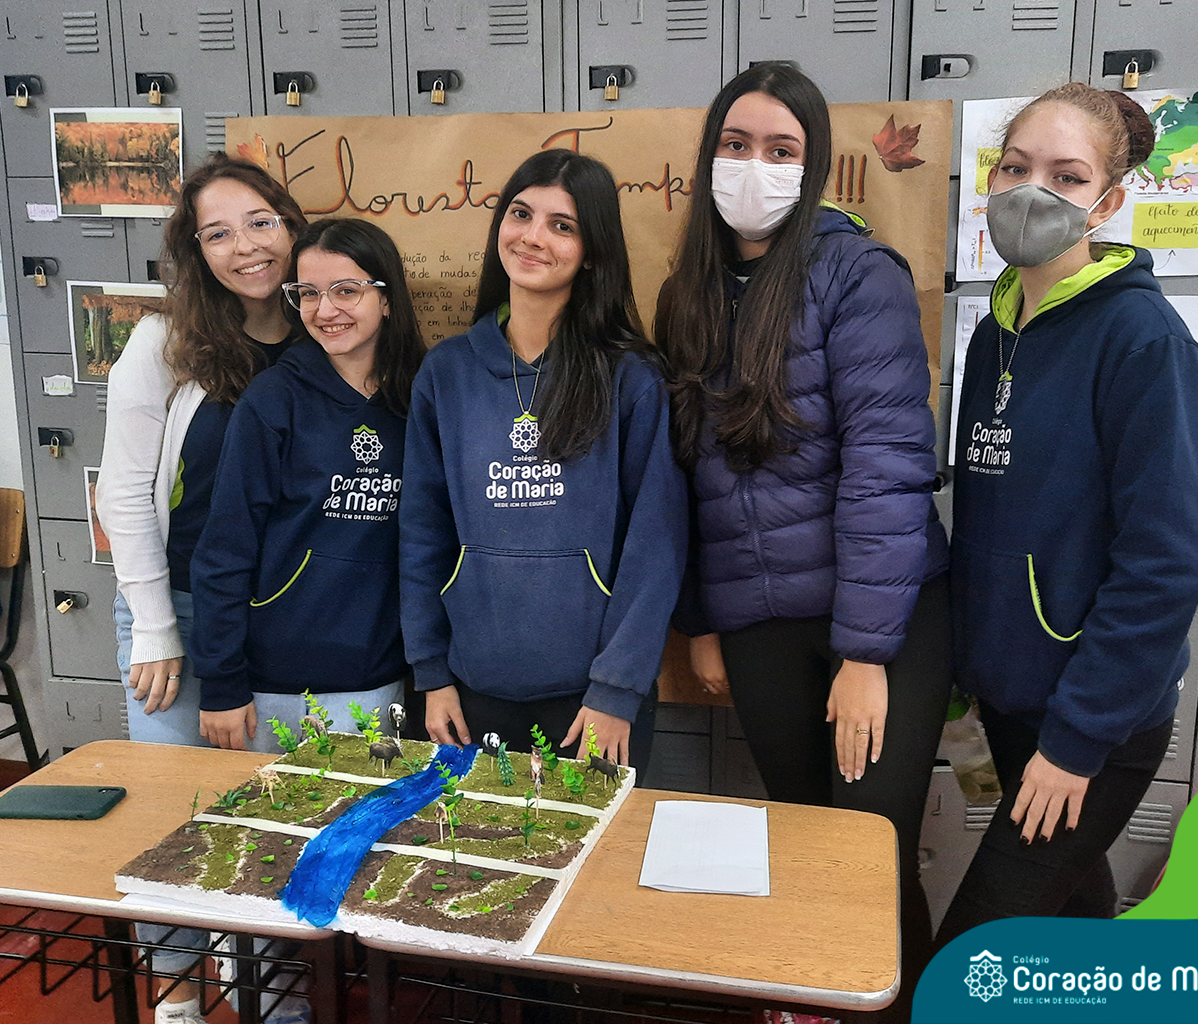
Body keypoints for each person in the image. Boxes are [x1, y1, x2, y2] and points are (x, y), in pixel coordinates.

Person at [654, 62, 950, 1016]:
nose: (755, 165)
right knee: (805, 842)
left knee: (867, 855)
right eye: (736, 145)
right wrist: (702, 620)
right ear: (709, 157)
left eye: (781, 150)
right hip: (759, 622)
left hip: (880, 622)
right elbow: (682, 477)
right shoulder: (688, 293)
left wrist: (865, 653)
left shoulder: (858, 274)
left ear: (813, 165)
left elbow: (887, 467)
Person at [934, 83, 1198, 945]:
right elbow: (991, 520)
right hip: (1011, 702)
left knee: (971, 956)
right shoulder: (998, 327)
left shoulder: (1145, 341)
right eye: (1016, 168)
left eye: (1066, 176)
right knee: (1072, 912)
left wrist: (1076, 740)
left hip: (1093, 720)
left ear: (1108, 202)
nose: (1033, 192)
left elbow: (1168, 564)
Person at [96, 153, 307, 1024]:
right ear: (195, 252)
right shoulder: (164, 342)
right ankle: (179, 988)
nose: (245, 246)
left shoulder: (325, 328)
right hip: (176, 608)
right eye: (217, 234)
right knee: (170, 813)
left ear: (290, 225)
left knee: (273, 812)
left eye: (260, 222)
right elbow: (121, 491)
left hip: (281, 615)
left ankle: (269, 980)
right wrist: (154, 625)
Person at [399, 149, 686, 778]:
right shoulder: (446, 373)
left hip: (594, 703)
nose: (532, 237)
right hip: (468, 693)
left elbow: (655, 546)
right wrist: (432, 674)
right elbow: (422, 533)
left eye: (562, 225)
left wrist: (618, 689)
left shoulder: (629, 378)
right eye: (521, 214)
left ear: (593, 252)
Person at [190, 218, 424, 757]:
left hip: (376, 676)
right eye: (308, 294)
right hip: (272, 683)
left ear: (387, 298)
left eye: (346, 290)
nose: (325, 310)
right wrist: (222, 682)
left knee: (360, 813)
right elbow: (225, 549)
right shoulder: (272, 399)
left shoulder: (422, 398)